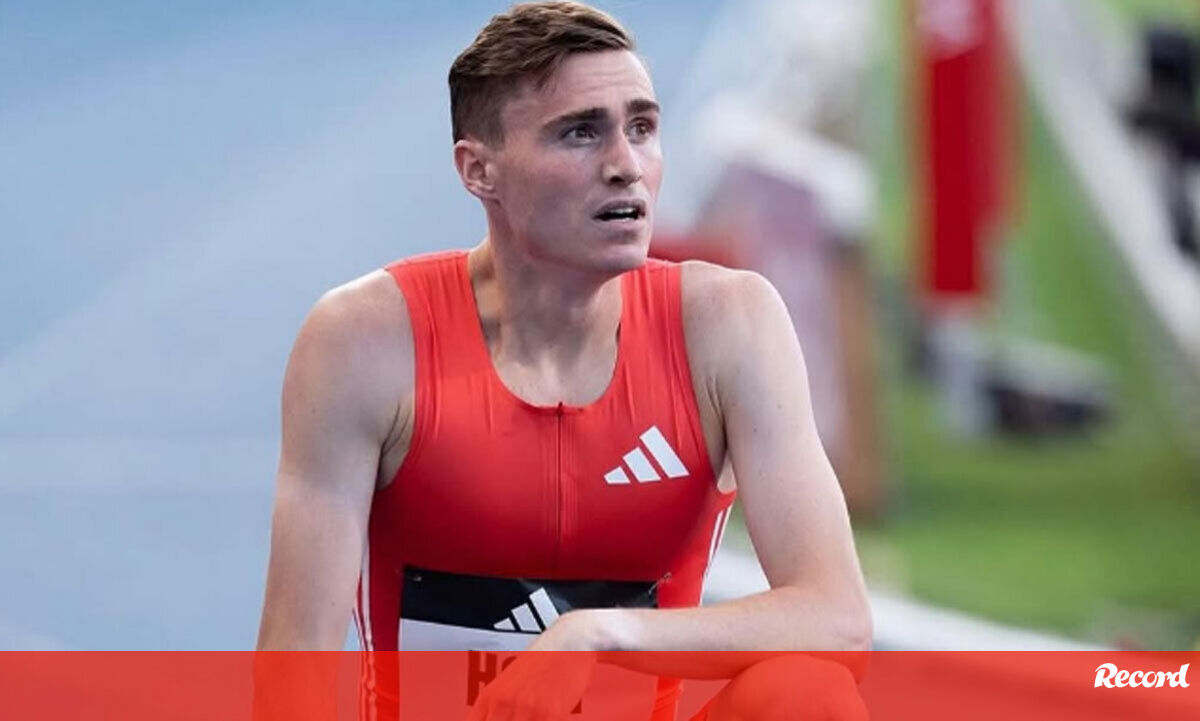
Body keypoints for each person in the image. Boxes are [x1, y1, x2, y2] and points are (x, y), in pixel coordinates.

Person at [256, 2, 872, 719]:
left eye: (641, 128)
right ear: (479, 170)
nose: (625, 166)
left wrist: (595, 635)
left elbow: (837, 619)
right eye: (581, 133)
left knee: (809, 696)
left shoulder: (729, 326)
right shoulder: (365, 340)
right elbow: (292, 666)